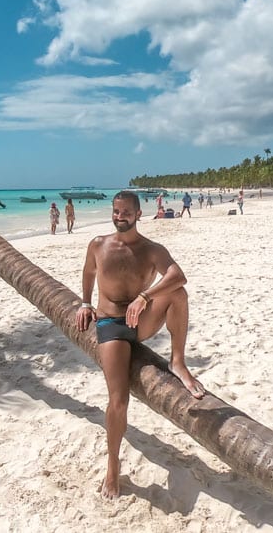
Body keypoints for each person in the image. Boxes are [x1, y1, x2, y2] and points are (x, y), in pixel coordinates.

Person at [76, 190, 205, 500]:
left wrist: (145, 297)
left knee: (178, 293)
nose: (120, 217)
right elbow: (88, 272)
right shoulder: (98, 245)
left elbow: (178, 275)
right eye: (116, 211)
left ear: (138, 215)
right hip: (111, 325)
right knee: (118, 400)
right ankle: (112, 465)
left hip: (141, 320)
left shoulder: (151, 250)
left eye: (126, 212)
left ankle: (178, 362)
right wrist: (84, 303)